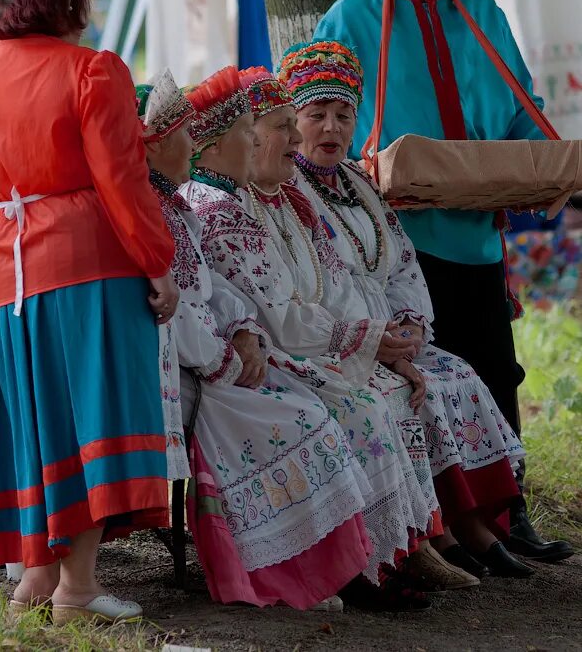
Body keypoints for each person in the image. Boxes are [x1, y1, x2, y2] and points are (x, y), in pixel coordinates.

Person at [312, 0, 573, 563]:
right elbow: (323, 123)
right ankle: (441, 526)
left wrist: (548, 164)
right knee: (421, 379)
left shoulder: (479, 10)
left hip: (479, 235)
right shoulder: (348, 18)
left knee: (496, 372)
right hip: (399, 242)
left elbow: (521, 109)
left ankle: (508, 516)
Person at [182, 66, 482, 612]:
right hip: (258, 359)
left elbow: (333, 285)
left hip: (301, 345)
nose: (300, 138)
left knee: (392, 393)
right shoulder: (221, 208)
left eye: (341, 116)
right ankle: (363, 562)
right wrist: (369, 343)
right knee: (364, 408)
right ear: (221, 144)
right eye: (277, 127)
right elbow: (272, 317)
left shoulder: (286, 199)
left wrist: (384, 343)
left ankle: (414, 543)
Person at [0, 0, 179, 625]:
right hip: (83, 270)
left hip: (1, 277)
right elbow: (122, 183)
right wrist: (159, 265)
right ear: (64, 0)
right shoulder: (92, 70)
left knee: (32, 426)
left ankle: (35, 581)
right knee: (87, 422)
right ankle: (77, 590)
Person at [277, 42, 536, 578]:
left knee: (456, 374)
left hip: (389, 337)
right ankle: (430, 533)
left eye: (343, 115)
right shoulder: (288, 192)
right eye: (315, 115)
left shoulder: (358, 183)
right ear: (292, 122)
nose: (330, 128)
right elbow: (323, 284)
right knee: (408, 394)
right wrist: (379, 341)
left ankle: (473, 524)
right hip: (342, 342)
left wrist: (412, 328)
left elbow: (401, 265)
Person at [136, 69, 374, 613]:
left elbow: (211, 289)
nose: (192, 145)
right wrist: (224, 357)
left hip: (213, 361)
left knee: (310, 412)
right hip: (189, 373)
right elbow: (172, 311)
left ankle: (324, 570)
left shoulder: (178, 209)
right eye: (183, 136)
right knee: (305, 419)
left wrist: (241, 327)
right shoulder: (159, 214)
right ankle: (277, 574)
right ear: (155, 146)